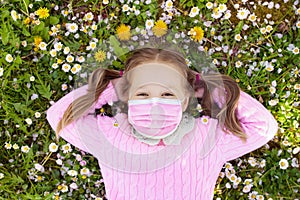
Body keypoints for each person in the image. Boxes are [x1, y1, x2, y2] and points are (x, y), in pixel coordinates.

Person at [46, 48, 278, 200]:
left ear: (186, 98)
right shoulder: (110, 135)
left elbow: (263, 127)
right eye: (143, 93)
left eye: (167, 94)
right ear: (125, 97)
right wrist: (112, 87)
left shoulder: (207, 136)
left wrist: (209, 88)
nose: (155, 104)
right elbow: (58, 117)